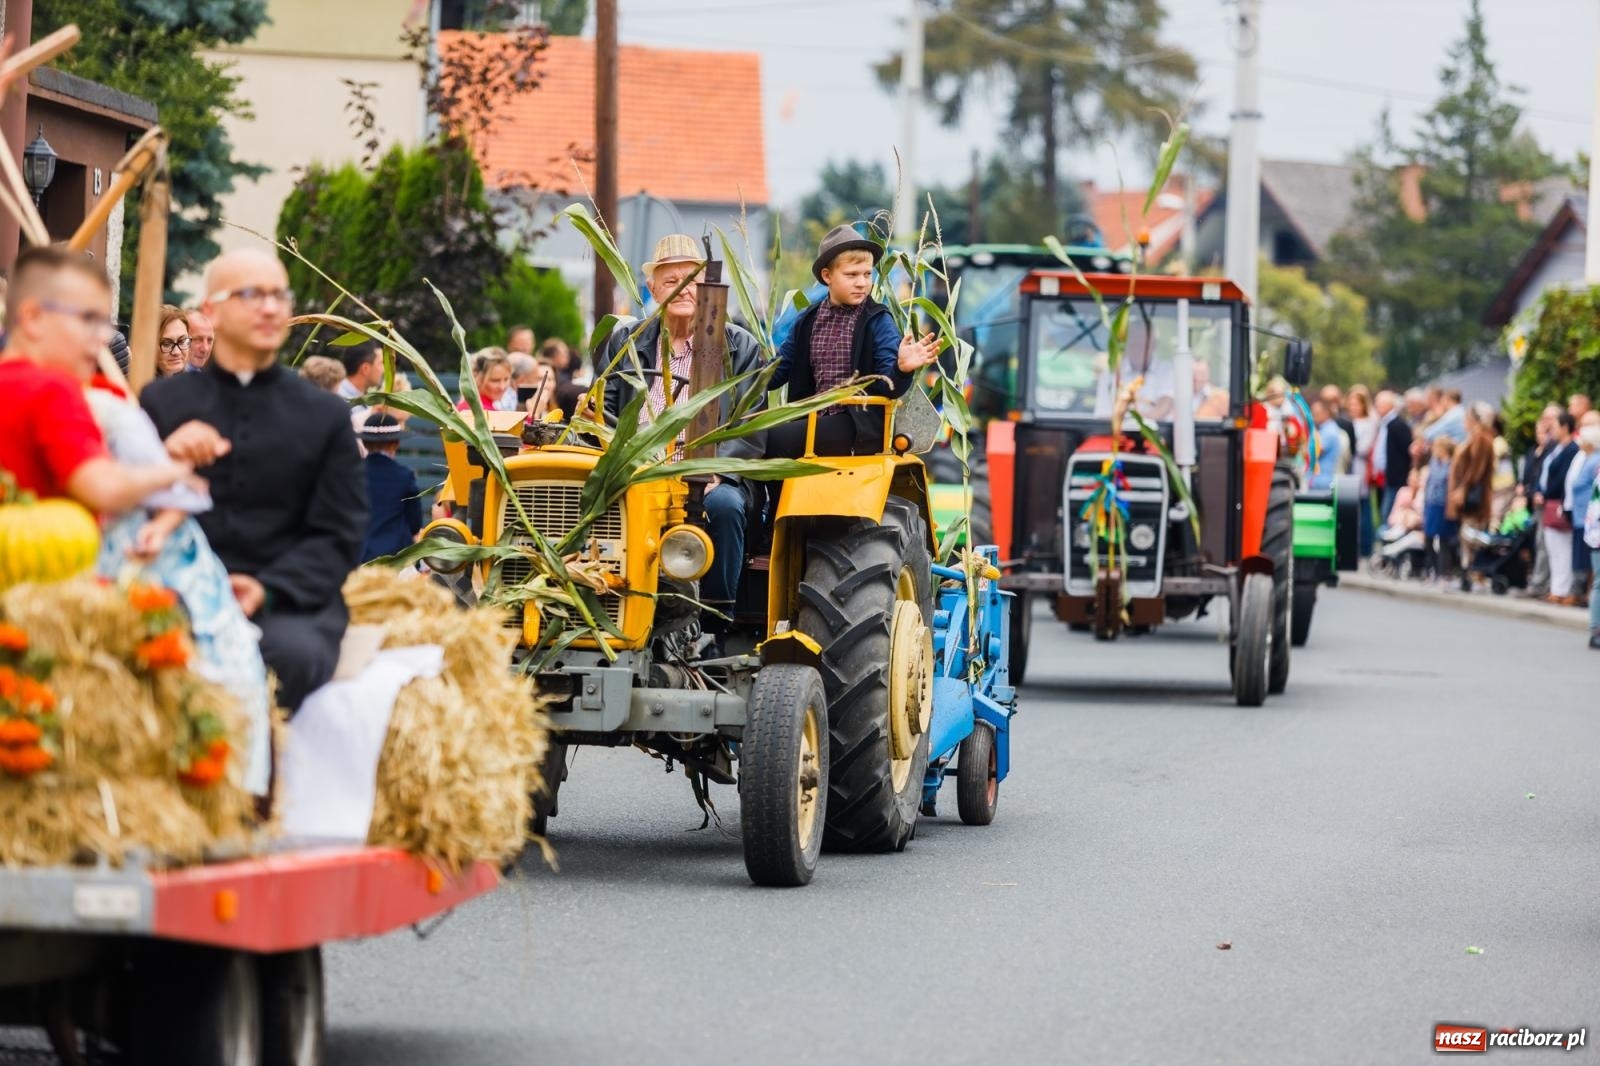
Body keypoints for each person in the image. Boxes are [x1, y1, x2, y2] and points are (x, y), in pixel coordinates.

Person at [142, 248, 368, 713]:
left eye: (278, 295)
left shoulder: (323, 414)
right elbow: (131, 510)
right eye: (250, 295)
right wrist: (167, 460)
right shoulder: (160, 403)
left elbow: (339, 533)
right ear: (210, 311)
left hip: (288, 605)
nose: (269, 307)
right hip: (176, 594)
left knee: (286, 658)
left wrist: (269, 587)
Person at [596, 234, 770, 619]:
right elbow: (604, 410)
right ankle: (606, 604)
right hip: (637, 470)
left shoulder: (737, 346)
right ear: (653, 290)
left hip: (708, 475)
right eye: (671, 282)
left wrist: (715, 474)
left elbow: (749, 423)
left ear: (707, 288)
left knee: (722, 507)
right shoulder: (626, 341)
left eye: (691, 281)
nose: (682, 290)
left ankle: (714, 618)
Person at [0, 247, 191, 510]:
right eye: (88, 318)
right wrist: (174, 472)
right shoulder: (53, 390)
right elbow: (103, 489)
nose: (103, 337)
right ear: (32, 317)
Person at [769, 223, 941, 454]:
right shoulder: (807, 320)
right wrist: (739, 374)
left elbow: (887, 387)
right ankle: (776, 490)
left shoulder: (878, 320)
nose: (862, 283)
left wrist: (901, 369)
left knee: (768, 440)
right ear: (827, 276)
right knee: (753, 438)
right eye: (851, 275)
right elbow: (777, 372)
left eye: (867, 274)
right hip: (811, 419)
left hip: (856, 424)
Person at [357, 412, 423, 564]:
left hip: (357, 554)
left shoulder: (351, 473)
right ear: (396, 443)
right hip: (393, 557)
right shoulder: (404, 476)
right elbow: (415, 522)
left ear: (365, 443)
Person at [1448, 402, 1496, 588]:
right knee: (1465, 536)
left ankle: (1476, 575)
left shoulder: (1482, 439)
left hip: (1475, 498)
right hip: (1468, 497)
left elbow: (1476, 469)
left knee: (1471, 535)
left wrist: (1463, 488)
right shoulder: (1471, 438)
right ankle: (1466, 574)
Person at [1092, 313, 1175, 421]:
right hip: (1116, 435)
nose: (1139, 348)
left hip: (1158, 435)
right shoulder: (1109, 375)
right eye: (1134, 342)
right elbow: (1103, 416)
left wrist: (1129, 421)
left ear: (1154, 345)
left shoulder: (1168, 371)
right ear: (1125, 346)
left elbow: (1163, 407)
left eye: (1143, 343)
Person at [1535, 411, 1580, 604]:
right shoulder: (1555, 448)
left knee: (1562, 548)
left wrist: (1545, 494)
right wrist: (1538, 490)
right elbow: (1543, 472)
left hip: (1557, 502)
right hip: (1548, 501)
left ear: (1565, 427)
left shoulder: (1571, 450)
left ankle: (1563, 589)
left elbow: (1562, 478)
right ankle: (1556, 587)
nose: (1551, 430)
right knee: (1551, 547)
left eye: (1555, 426)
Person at [1520, 404, 1562, 598]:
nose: (1547, 423)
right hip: (1536, 501)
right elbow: (1535, 475)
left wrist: (1541, 492)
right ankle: (1541, 582)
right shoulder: (1539, 449)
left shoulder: (1556, 447)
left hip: (1550, 503)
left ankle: (1543, 584)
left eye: (1551, 419)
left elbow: (1553, 477)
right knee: (1539, 542)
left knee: (1546, 544)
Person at [1563, 411, 1600, 607]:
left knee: (1588, 560)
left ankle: (1584, 594)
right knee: (1582, 557)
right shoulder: (1586, 457)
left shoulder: (1595, 459)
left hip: (1590, 517)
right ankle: (1582, 593)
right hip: (1582, 516)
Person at [1371, 390, 1414, 541]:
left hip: (1397, 479)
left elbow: (1407, 450)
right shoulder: (1386, 424)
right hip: (1388, 477)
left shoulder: (1397, 425)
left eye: (1380, 404)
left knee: (1389, 515)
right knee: (1384, 511)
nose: (1377, 408)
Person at [1347, 385, 1378, 555]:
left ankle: (1366, 546)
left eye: (1356, 404)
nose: (1353, 408)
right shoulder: (1350, 422)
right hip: (1349, 469)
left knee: (1364, 508)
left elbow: (1363, 448)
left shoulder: (1369, 423)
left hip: (1360, 470)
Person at [1423, 436, 1458, 581]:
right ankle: (1431, 568)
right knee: (1428, 537)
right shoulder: (1433, 463)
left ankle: (1444, 572)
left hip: (1443, 505)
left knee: (1444, 539)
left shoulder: (1451, 465)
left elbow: (1443, 478)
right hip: (1432, 503)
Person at [337, 339, 383, 419]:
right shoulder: (339, 401)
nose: (384, 369)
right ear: (365, 369)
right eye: (381, 363)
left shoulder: (364, 399)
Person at [459, 348, 514, 413]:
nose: (502, 387)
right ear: (477, 378)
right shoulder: (483, 412)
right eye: (495, 380)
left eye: (506, 379)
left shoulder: (468, 405)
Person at [1308, 398, 1345, 491]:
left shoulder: (1329, 431)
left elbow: (1314, 452)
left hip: (1322, 482)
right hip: (1318, 481)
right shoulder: (1323, 429)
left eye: (1316, 413)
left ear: (1326, 412)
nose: (1313, 416)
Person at [157, 304, 191, 378]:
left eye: (182, 341)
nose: (177, 352)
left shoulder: (194, 384)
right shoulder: (136, 386)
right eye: (167, 344)